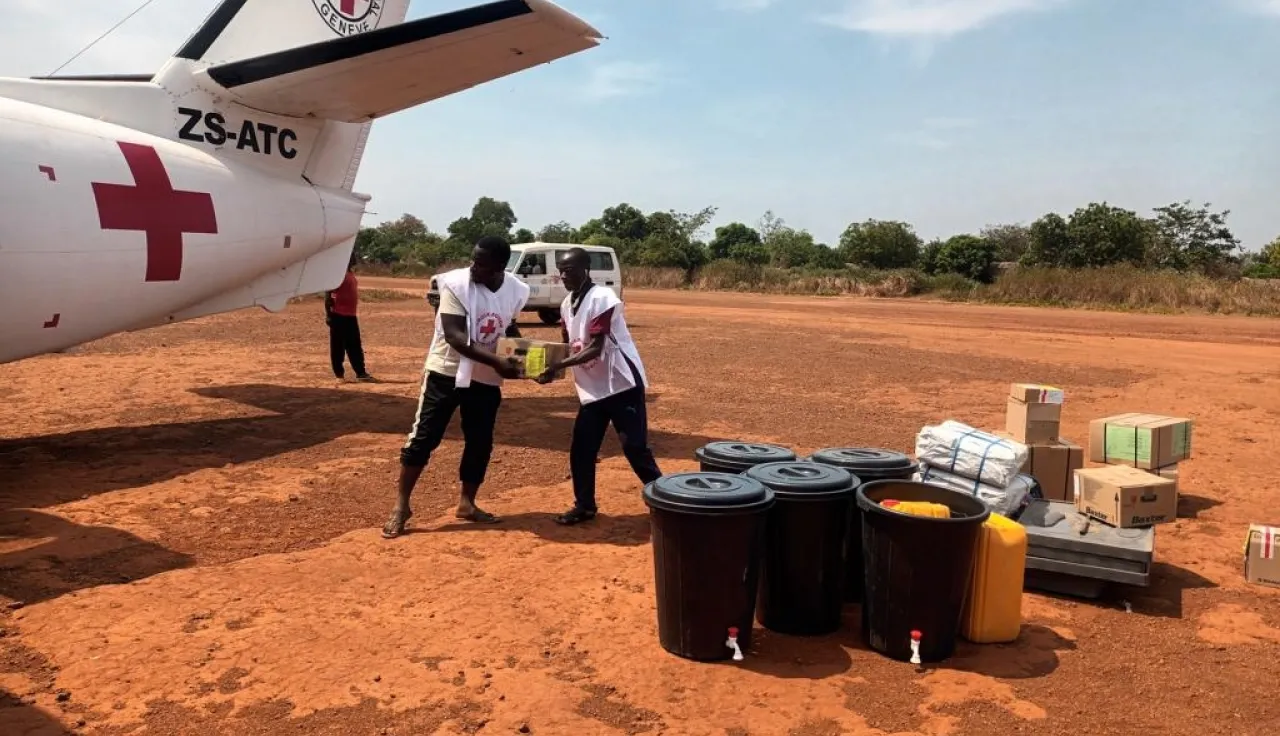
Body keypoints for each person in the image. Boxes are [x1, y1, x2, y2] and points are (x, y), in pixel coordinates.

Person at [382, 236, 529, 538]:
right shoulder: (456, 285)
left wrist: (527, 361)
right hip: (446, 372)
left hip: (485, 377)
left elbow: (507, 328)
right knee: (424, 437)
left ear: (500, 266)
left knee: (480, 441)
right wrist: (499, 363)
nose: (474, 267)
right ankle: (401, 506)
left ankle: (467, 504)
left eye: (482, 263)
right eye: (473, 260)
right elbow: (455, 337)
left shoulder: (515, 289)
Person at [535, 247, 662, 525]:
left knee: (635, 447)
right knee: (582, 447)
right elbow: (569, 346)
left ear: (586, 269)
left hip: (621, 382)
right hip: (593, 387)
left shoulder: (602, 298)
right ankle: (584, 505)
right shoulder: (567, 304)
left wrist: (557, 367)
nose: (563, 276)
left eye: (569, 270)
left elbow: (595, 348)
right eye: (561, 271)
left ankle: (666, 501)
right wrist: (546, 369)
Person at [325, 258, 374, 382]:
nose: (355, 259)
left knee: (355, 345)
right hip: (338, 315)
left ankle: (361, 373)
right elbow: (328, 295)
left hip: (351, 315)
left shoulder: (350, 274)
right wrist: (329, 315)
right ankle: (339, 375)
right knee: (337, 346)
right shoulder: (337, 275)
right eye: (352, 256)